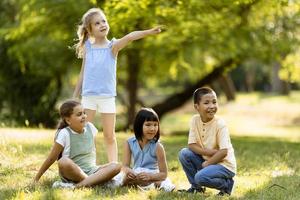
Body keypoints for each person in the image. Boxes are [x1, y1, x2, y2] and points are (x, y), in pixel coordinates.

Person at [72, 8, 162, 163]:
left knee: (109, 136)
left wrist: (148, 32)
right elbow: (82, 73)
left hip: (107, 97)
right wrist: (75, 96)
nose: (102, 24)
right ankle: (88, 165)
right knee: (87, 134)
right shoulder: (87, 47)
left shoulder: (112, 47)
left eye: (104, 21)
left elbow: (130, 37)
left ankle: (113, 167)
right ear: (90, 29)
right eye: (97, 23)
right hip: (89, 96)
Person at [34, 100, 121, 188]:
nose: (83, 116)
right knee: (63, 161)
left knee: (116, 166)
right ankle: (95, 182)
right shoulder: (64, 133)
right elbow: (51, 158)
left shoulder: (91, 128)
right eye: (79, 114)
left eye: (84, 113)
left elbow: (93, 152)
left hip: (92, 170)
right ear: (68, 120)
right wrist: (36, 179)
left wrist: (99, 170)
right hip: (72, 172)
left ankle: (76, 186)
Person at [178, 87, 237, 196]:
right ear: (197, 107)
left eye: (214, 102)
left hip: (224, 165)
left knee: (200, 177)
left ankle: (227, 185)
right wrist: (210, 153)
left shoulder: (220, 124)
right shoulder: (195, 120)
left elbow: (223, 152)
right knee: (184, 153)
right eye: (206, 103)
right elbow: (191, 145)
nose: (212, 106)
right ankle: (196, 188)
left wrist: (208, 163)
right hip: (208, 160)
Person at [115, 108, 175, 192]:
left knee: (163, 183)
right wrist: (129, 172)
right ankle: (134, 184)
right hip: (136, 173)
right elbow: (124, 166)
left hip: (152, 175)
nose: (152, 129)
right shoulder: (129, 142)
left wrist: (150, 177)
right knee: (122, 179)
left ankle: (155, 186)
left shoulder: (158, 147)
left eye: (155, 125)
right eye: (148, 125)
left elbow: (164, 174)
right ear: (139, 125)